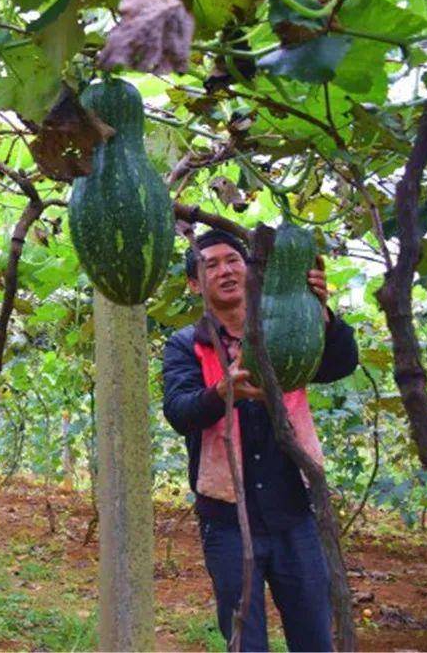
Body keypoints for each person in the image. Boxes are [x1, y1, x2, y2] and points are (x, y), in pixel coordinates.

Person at [162, 228, 358, 652]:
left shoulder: (290, 328)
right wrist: (220, 393)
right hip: (227, 517)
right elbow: (179, 411)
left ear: (252, 271)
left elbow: (340, 364)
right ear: (195, 284)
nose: (225, 270)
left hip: (294, 512)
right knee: (245, 642)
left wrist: (322, 312)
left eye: (233, 260)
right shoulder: (185, 345)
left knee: (314, 638)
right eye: (209, 265)